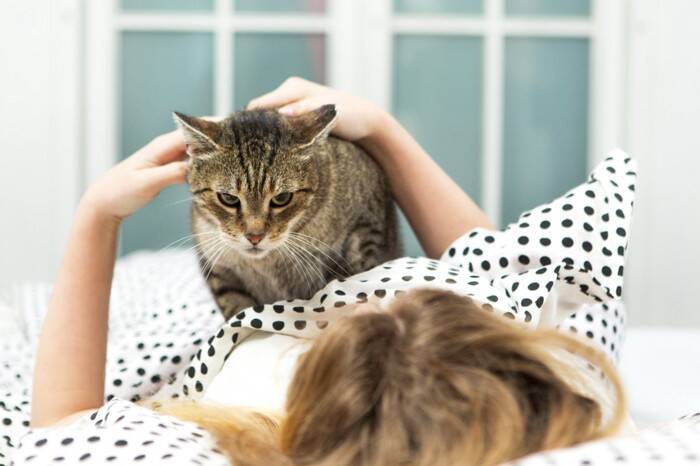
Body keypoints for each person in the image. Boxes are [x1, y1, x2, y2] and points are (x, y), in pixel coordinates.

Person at [21, 78, 634, 465]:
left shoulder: (234, 425)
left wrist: (96, 216)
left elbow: (60, 425)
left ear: (314, 396)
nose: (373, 299)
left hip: (165, 324)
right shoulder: (560, 389)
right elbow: (498, 262)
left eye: (375, 317)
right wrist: (381, 130)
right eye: (412, 299)